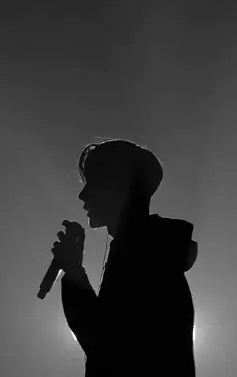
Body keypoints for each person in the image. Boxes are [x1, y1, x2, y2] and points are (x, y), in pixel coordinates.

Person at [51, 139, 197, 377]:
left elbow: (107, 347)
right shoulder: (152, 249)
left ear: (119, 185)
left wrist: (74, 272)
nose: (82, 194)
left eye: (93, 182)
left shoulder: (145, 254)